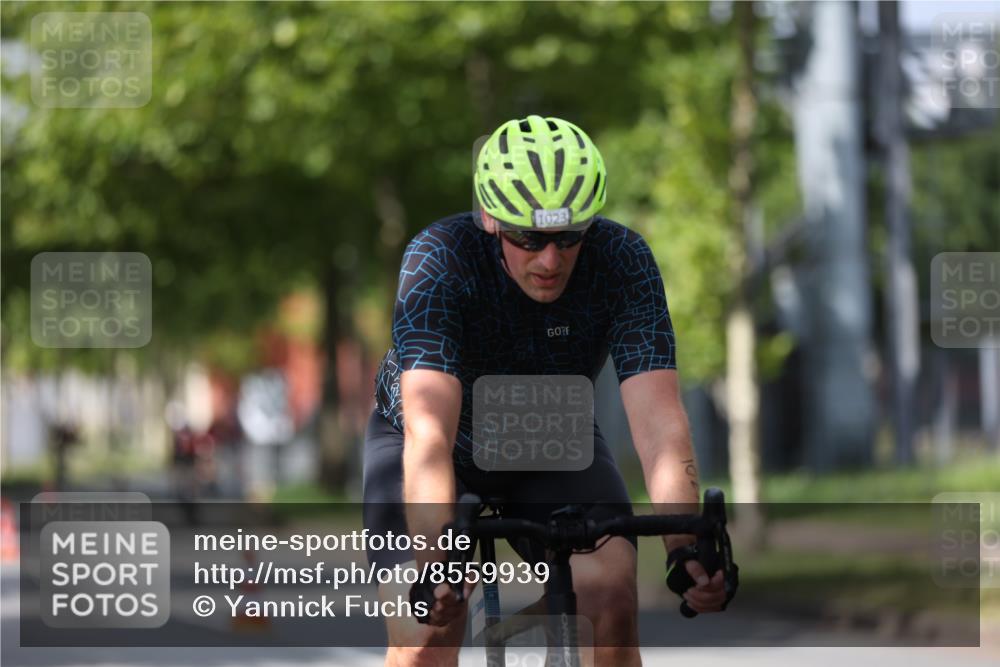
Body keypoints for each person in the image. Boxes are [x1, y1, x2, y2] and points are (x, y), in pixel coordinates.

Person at [365, 115, 728, 667]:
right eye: (529, 239)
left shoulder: (623, 262)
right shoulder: (440, 259)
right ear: (490, 217)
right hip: (432, 443)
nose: (550, 261)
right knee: (427, 633)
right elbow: (429, 431)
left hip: (544, 426)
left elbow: (660, 421)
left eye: (569, 238)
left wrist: (687, 548)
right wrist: (434, 560)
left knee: (609, 595)